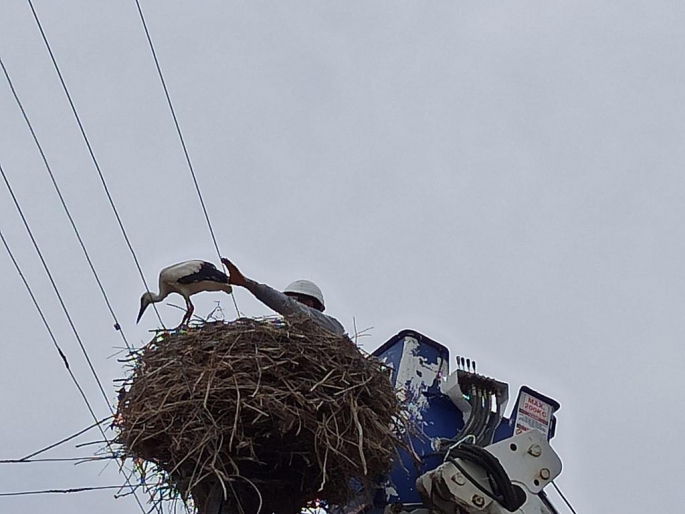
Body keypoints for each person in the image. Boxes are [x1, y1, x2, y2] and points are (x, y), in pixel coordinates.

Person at [221, 258, 345, 336]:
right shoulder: (284, 332)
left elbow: (289, 307)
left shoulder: (333, 326)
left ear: (309, 303)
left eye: (293, 300)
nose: (288, 303)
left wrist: (248, 284)